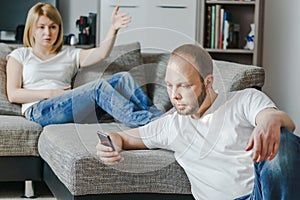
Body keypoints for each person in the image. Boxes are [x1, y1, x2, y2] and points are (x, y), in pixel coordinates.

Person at [96, 44, 300, 200]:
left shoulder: (243, 100)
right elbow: (122, 137)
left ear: (208, 82)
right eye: (169, 86)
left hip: (261, 194)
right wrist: (109, 143)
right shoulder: (171, 126)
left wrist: (268, 122)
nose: (174, 95)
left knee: (282, 137)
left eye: (183, 86)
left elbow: (280, 120)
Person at [6, 2, 163, 127]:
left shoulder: (70, 54)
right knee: (98, 88)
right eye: (41, 27)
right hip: (40, 110)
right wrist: (53, 93)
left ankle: (160, 117)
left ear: (59, 29)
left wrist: (113, 29)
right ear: (32, 29)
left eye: (53, 27)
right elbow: (13, 94)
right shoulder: (20, 55)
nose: (48, 33)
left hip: (69, 106)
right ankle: (146, 122)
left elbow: (102, 53)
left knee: (123, 78)